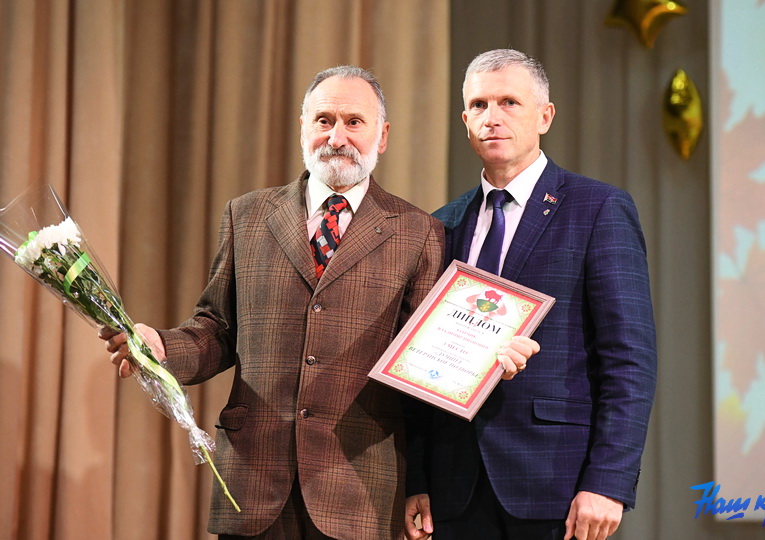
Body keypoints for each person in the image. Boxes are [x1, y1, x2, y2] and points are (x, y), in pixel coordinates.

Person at [102, 65, 535, 540]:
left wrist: (483, 363)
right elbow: (217, 329)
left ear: (382, 136)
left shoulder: (419, 232)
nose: (337, 136)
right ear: (302, 128)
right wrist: (161, 348)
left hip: (360, 488)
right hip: (253, 481)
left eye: (354, 122)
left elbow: (423, 359)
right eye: (324, 120)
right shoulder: (247, 214)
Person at [404, 49, 657, 540]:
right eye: (478, 105)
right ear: (464, 120)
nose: (492, 117)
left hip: (558, 487)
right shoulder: (441, 224)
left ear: (545, 116)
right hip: (453, 489)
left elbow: (629, 358)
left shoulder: (598, 208)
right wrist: (418, 478)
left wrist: (608, 481)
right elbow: (419, 360)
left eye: (509, 103)